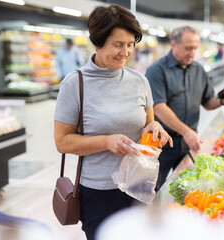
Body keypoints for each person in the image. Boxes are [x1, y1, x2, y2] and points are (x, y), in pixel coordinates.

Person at [53, 5, 173, 240]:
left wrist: (156, 127)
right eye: (118, 44)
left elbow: (149, 125)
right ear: (97, 42)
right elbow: (62, 142)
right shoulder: (74, 84)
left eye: (130, 44)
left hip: (140, 187)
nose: (125, 52)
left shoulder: (140, 81)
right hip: (99, 193)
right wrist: (107, 142)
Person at [145, 26, 224, 190]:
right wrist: (186, 131)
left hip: (189, 142)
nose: (192, 53)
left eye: (195, 48)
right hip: (162, 143)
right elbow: (158, 107)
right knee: (152, 188)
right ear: (173, 44)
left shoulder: (198, 70)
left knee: (187, 188)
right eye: (188, 48)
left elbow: (208, 102)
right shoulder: (156, 70)